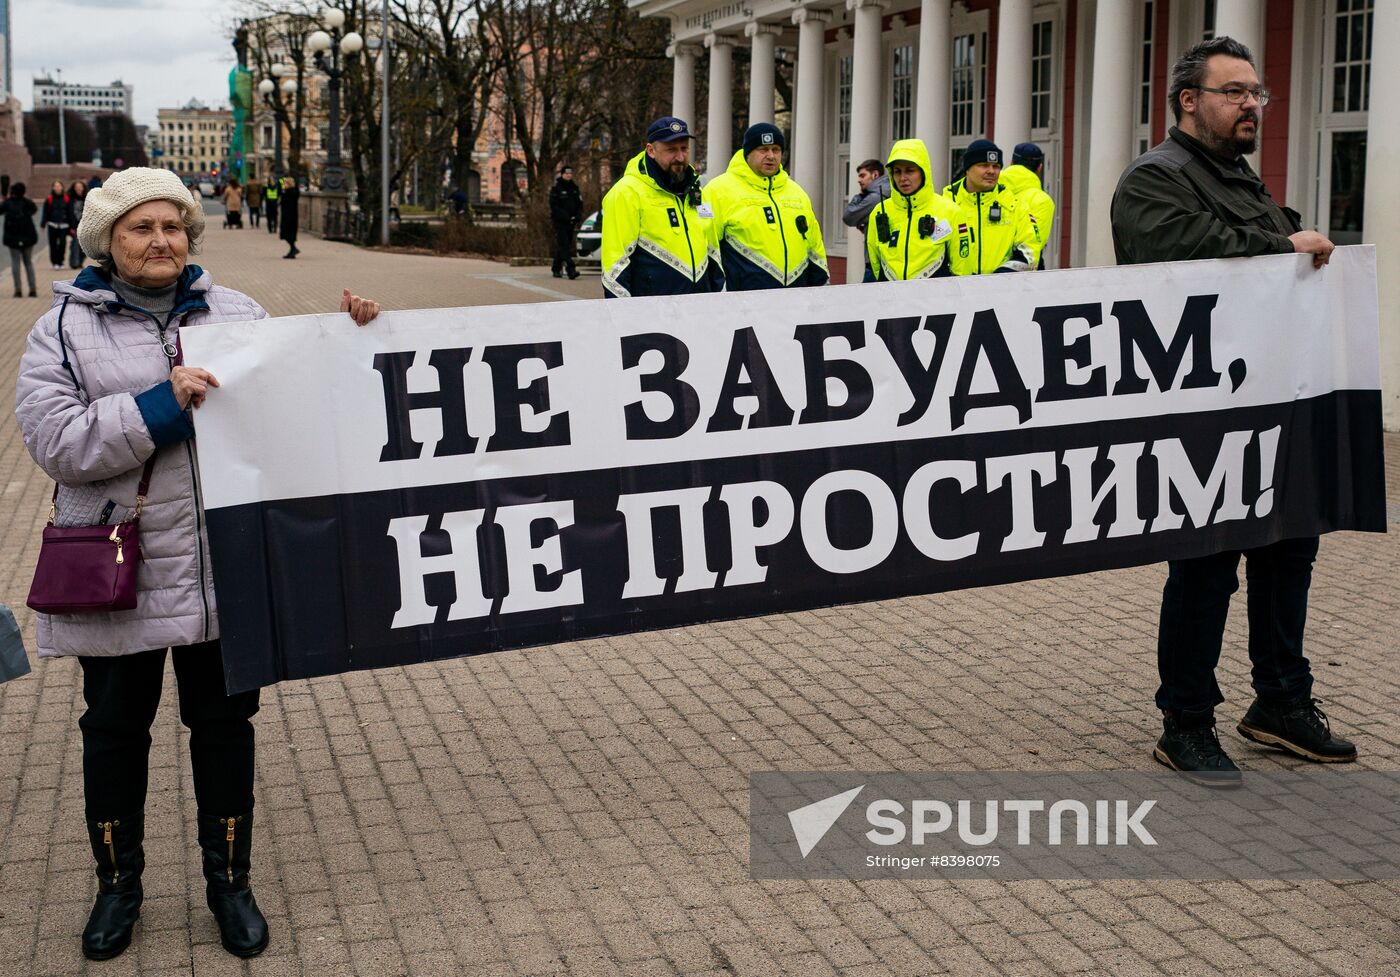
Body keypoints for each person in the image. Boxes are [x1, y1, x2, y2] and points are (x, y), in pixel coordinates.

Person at [13, 167, 381, 962]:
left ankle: (230, 882)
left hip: (225, 565)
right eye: (141, 228)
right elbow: (56, 442)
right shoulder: (63, 331)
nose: (161, 241)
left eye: (174, 226)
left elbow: (302, 402)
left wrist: (351, 339)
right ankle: (119, 885)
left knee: (223, 728)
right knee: (114, 731)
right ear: (106, 241)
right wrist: (157, 404)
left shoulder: (238, 313)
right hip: (122, 565)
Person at [1110, 36, 1352, 785]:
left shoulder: (1235, 175)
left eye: (1258, 93)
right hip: (1202, 412)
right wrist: (1285, 241)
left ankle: (1279, 702)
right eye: (1234, 92)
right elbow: (1187, 253)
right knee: (1207, 566)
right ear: (1189, 100)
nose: (1252, 104)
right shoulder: (1154, 180)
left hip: (1274, 399)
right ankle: (1185, 720)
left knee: (1288, 554)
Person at [599, 116, 723, 298]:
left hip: (699, 311)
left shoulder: (697, 191)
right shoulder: (626, 193)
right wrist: (624, 319)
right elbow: (615, 266)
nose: (680, 157)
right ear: (651, 150)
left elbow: (713, 252)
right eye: (671, 150)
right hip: (653, 314)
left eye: (684, 149)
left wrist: (721, 303)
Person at [702, 123, 827, 290]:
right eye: (763, 149)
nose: (771, 156)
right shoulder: (717, 190)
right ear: (747, 153)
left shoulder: (797, 192)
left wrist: (823, 289)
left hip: (795, 301)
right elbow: (707, 247)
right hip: (742, 304)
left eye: (776, 150)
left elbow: (815, 246)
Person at [864, 139, 962, 282]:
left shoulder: (950, 211)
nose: (903, 178)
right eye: (897, 171)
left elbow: (961, 271)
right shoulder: (879, 212)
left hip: (935, 301)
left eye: (910, 171)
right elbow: (875, 265)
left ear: (923, 172)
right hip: (892, 300)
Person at [941, 139, 1038, 275]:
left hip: (1002, 290)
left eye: (996, 166)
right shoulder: (945, 204)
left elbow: (1030, 252)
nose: (991, 171)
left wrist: (995, 282)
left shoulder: (1016, 206)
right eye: (984, 165)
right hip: (955, 291)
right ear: (967, 168)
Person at [999, 142, 1055, 269]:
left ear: (1011, 162)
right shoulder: (1042, 201)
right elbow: (1035, 243)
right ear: (1039, 168)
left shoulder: (992, 188)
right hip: (1020, 270)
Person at [2, 182, 38, 297]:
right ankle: (32, 288)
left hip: (12, 237)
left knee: (15, 263)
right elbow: (34, 209)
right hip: (28, 236)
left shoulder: (7, 203)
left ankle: (18, 289)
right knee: (28, 262)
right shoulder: (27, 202)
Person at [549, 165, 584, 279]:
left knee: (564, 245)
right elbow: (554, 206)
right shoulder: (556, 188)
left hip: (571, 222)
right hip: (560, 222)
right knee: (564, 245)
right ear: (562, 174)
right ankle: (571, 269)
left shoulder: (574, 188)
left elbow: (579, 204)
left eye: (570, 173)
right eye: (566, 173)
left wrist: (577, 216)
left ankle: (556, 268)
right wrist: (565, 216)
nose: (569, 175)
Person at [842, 157, 890, 235]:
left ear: (875, 175)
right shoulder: (886, 192)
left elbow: (848, 217)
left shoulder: (875, 197)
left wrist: (860, 195)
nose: (859, 180)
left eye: (862, 176)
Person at [41, 180, 74, 270]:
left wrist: (72, 226)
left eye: (59, 186)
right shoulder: (49, 199)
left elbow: (70, 213)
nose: (57, 187)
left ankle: (61, 261)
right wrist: (43, 224)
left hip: (64, 226)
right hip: (52, 225)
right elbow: (45, 212)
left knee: (62, 244)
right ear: (53, 188)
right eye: (55, 186)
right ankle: (54, 262)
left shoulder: (67, 199)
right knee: (53, 244)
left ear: (62, 187)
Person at [68, 182, 89, 268]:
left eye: (80, 187)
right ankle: (74, 263)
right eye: (76, 187)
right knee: (75, 245)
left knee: (84, 247)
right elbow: (68, 213)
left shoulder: (87, 198)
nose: (78, 188)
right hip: (75, 226)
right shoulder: (70, 199)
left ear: (83, 188)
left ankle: (80, 262)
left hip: (85, 226)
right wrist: (71, 226)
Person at [279, 177, 299, 259]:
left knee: (287, 234)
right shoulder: (289, 192)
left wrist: (283, 193)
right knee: (288, 234)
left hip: (289, 216)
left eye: (285, 183)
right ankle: (292, 250)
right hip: (290, 216)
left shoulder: (289, 193)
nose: (284, 185)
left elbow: (287, 205)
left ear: (289, 184)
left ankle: (293, 249)